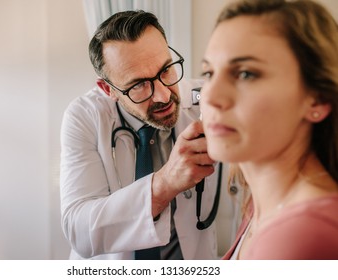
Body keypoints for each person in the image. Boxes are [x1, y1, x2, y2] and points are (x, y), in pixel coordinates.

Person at [60, 10, 241, 260]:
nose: (163, 96)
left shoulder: (207, 100)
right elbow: (78, 230)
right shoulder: (84, 117)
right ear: (108, 89)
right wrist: (165, 183)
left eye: (166, 70)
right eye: (139, 85)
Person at [199, 0, 338, 260]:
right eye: (208, 73)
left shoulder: (303, 236)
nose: (211, 96)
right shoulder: (259, 206)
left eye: (245, 74)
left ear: (317, 99)